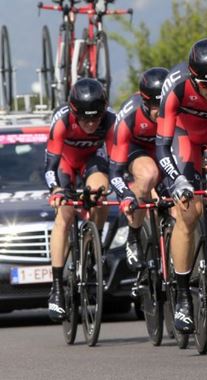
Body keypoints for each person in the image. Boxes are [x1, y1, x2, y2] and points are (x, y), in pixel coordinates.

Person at [156, 38, 207, 334]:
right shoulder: (176, 85)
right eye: (205, 86)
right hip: (184, 138)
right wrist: (177, 179)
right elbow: (161, 147)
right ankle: (183, 293)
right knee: (188, 210)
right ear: (192, 77)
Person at [44, 78, 116, 322]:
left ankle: (92, 248)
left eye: (96, 118)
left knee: (101, 191)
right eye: (85, 119)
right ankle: (55, 287)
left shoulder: (109, 121)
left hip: (90, 161)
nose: (91, 123)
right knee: (64, 213)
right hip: (64, 163)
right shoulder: (62, 121)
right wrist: (55, 190)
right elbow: (50, 166)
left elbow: (116, 163)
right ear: (75, 112)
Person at [109, 67, 169, 271]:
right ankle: (133, 235)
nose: (160, 111)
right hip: (138, 149)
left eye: (164, 104)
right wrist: (126, 195)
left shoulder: (176, 108)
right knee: (148, 174)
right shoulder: (130, 115)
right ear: (144, 102)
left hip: (166, 146)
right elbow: (115, 171)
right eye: (154, 105)